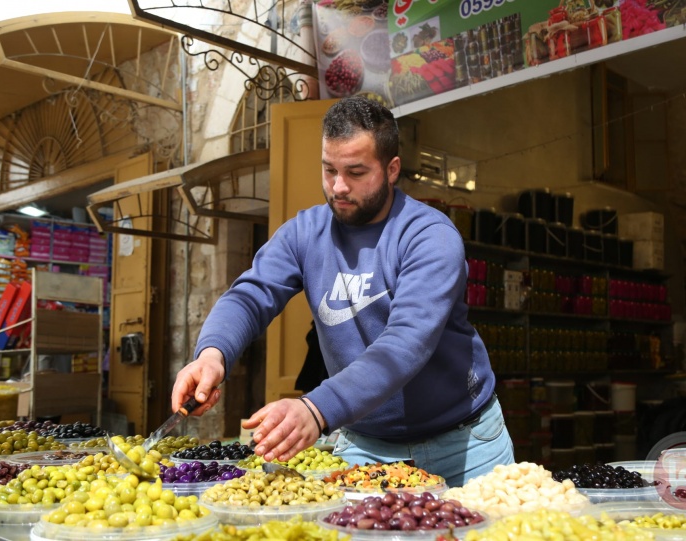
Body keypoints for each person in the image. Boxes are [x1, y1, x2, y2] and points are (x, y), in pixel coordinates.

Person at [171, 96, 514, 487]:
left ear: (392, 169)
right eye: (329, 169)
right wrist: (212, 355)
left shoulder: (429, 236)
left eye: (355, 172)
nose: (338, 186)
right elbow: (250, 295)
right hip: (366, 446)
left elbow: (406, 344)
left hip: (465, 445)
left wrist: (317, 409)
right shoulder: (305, 233)